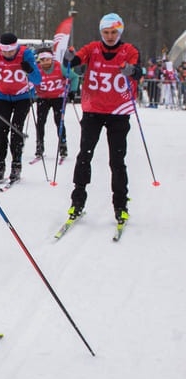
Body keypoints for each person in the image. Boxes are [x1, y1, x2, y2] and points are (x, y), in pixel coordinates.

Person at [66, 13, 141, 223]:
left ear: (120, 32)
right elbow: (75, 62)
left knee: (117, 160)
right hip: (93, 110)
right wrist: (69, 58)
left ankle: (121, 205)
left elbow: (138, 71)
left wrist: (131, 70)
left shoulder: (129, 50)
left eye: (114, 32)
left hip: (119, 112)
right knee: (84, 156)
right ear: (101, 32)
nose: (110, 36)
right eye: (106, 32)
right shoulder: (92, 48)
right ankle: (77, 202)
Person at [0, 32, 40, 183]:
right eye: (5, 51)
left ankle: (16, 165)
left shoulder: (26, 54)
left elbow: (38, 79)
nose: (8, 54)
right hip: (1, 96)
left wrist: (30, 70)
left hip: (22, 96)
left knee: (16, 130)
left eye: (11, 51)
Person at [32, 46, 69, 161]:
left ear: (51, 59)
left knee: (59, 121)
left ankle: (63, 145)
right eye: (42, 60)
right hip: (43, 98)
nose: (45, 62)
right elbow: (30, 80)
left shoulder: (59, 67)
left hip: (58, 97)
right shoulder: (37, 69)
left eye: (47, 59)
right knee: (40, 122)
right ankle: (40, 146)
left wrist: (72, 91)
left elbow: (73, 77)